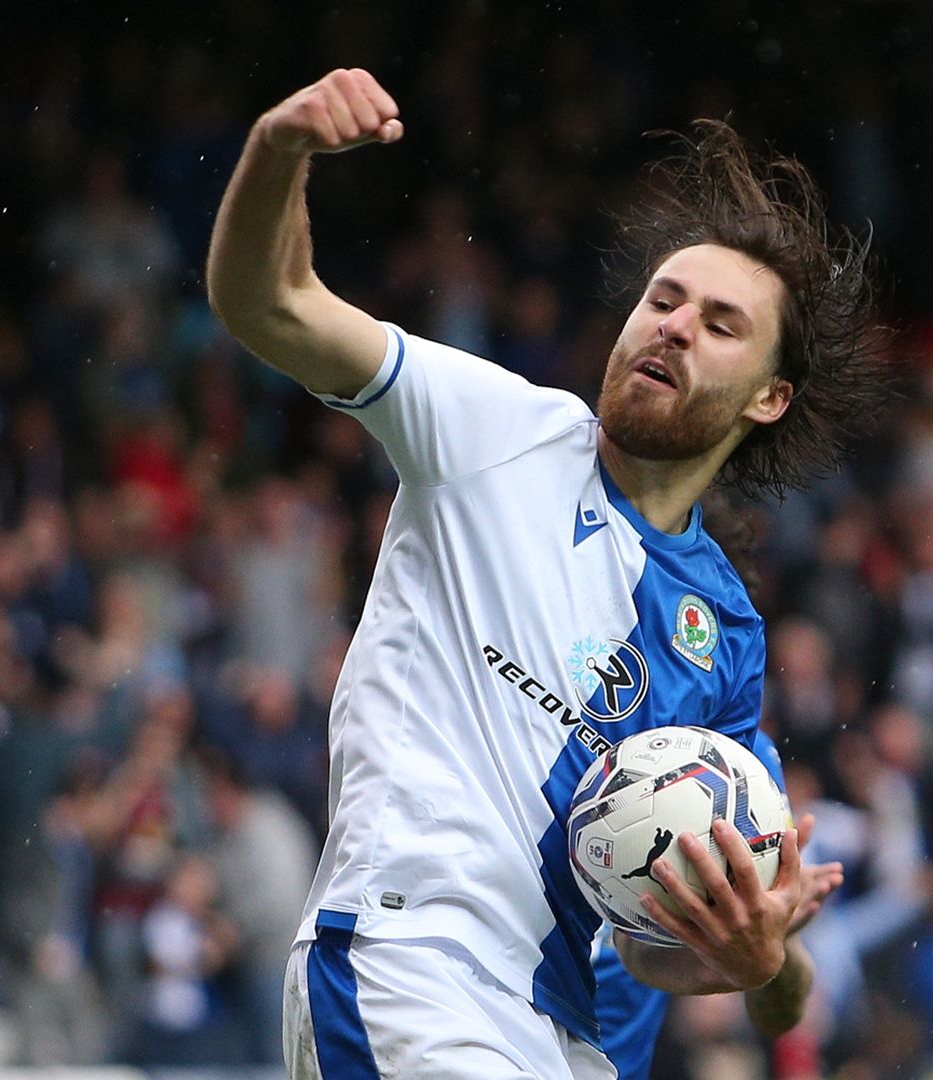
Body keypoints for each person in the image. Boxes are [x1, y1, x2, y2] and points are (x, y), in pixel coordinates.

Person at [208, 68, 884, 1078]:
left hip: (565, 1041)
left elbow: (710, 969)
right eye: (664, 298)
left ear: (770, 397)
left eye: (720, 323)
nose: (674, 324)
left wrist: (761, 952)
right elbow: (270, 301)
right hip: (409, 971)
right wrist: (280, 147)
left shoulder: (723, 636)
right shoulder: (498, 431)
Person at [592, 729, 845, 1080]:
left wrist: (771, 938)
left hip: (615, 1063)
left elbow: (779, 1016)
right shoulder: (532, 718)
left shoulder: (744, 757)